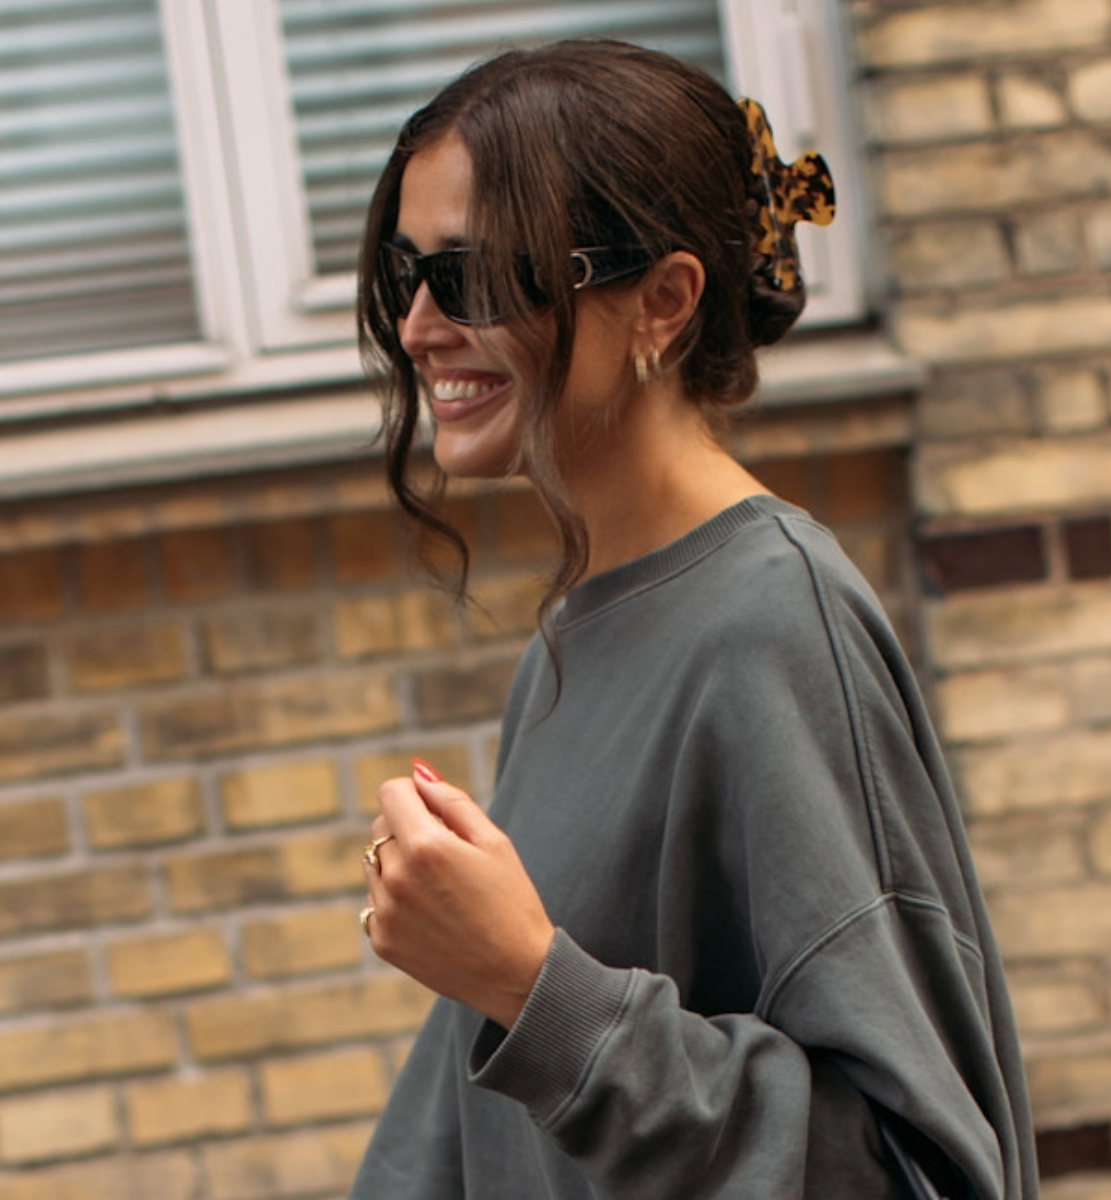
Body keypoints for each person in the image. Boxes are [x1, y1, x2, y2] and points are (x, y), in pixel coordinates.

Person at [350, 38, 1039, 1200]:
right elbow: (463, 1133)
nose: (420, 326)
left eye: (470, 277)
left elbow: (912, 1169)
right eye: (402, 274)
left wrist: (529, 984)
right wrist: (510, 988)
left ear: (662, 302)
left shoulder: (774, 623)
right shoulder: (573, 642)